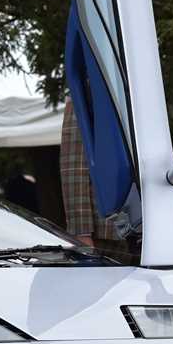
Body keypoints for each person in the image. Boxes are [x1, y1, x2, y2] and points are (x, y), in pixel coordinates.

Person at [59, 99, 140, 264]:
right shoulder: (89, 86)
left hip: (145, 225)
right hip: (109, 234)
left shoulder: (141, 89)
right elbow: (74, 167)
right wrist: (81, 233)